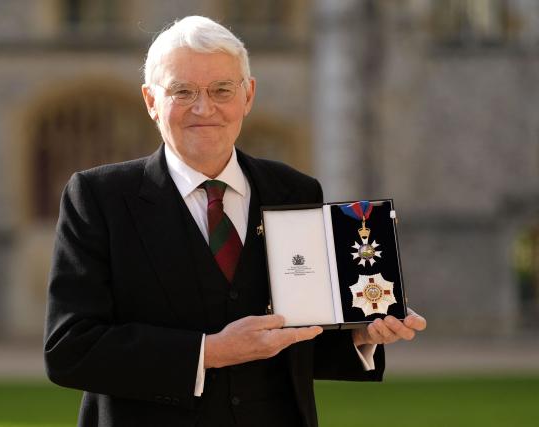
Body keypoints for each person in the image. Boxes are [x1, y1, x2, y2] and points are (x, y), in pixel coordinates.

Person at [44, 15, 426, 427]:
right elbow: (70, 350)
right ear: (151, 101)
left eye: (221, 90)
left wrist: (360, 335)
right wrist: (210, 352)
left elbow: (297, 335)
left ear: (248, 95)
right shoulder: (98, 197)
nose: (204, 108)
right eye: (182, 91)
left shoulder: (295, 191)